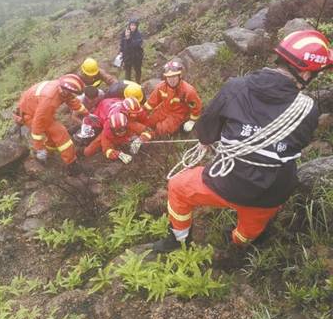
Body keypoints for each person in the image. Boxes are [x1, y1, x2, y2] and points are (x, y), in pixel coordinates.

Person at [151, 30, 333, 252]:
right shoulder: (308, 110)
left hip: (229, 182)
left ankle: (178, 240)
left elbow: (206, 132)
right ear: (305, 75)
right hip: (272, 193)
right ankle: (237, 247)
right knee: (246, 236)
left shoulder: (236, 87)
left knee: (177, 187)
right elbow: (298, 144)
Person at [15, 74, 88, 175]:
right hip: (31, 114)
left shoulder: (62, 88)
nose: (72, 95)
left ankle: (49, 153)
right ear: (65, 90)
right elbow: (37, 126)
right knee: (61, 134)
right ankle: (71, 164)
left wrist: (87, 114)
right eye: (71, 93)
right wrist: (39, 148)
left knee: (53, 135)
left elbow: (71, 100)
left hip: (33, 107)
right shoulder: (49, 100)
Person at [144, 59, 202, 138]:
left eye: (174, 76)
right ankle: (140, 134)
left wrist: (192, 121)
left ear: (180, 76)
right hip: (163, 110)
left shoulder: (188, 91)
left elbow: (196, 107)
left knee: (162, 129)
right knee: (148, 122)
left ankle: (147, 137)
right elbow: (150, 103)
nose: (172, 80)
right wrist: (142, 114)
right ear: (165, 78)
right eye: (169, 77)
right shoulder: (161, 87)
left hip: (178, 114)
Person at [120, 17, 144, 83]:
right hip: (127, 56)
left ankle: (138, 83)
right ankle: (127, 86)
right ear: (129, 25)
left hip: (137, 56)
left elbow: (136, 44)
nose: (133, 27)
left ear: (137, 26)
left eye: (134, 25)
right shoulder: (124, 33)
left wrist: (129, 38)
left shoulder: (139, 34)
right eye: (131, 25)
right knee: (127, 72)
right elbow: (122, 43)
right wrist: (121, 51)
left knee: (138, 71)